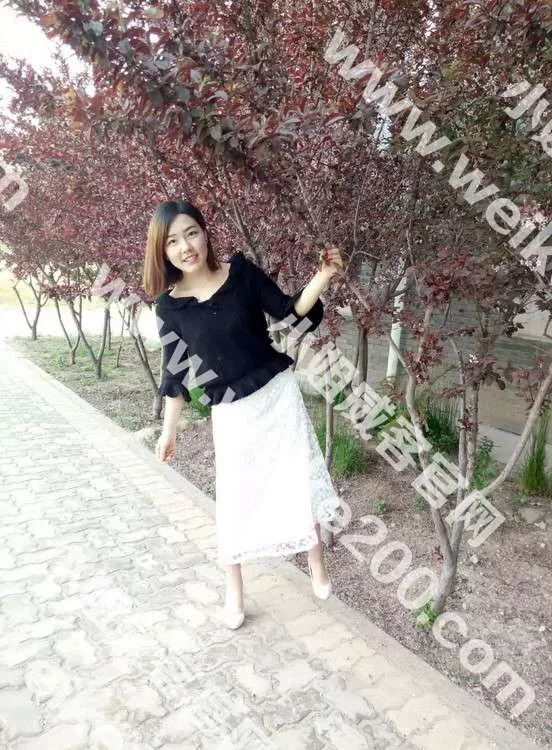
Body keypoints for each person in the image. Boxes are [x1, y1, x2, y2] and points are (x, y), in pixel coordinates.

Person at [143, 199, 344, 630]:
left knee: (295, 476)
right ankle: (234, 589)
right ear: (162, 250)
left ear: (205, 233)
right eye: (173, 241)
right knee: (235, 496)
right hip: (231, 411)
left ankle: (315, 558)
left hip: (276, 395)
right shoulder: (169, 308)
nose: (185, 247)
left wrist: (323, 276)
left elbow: (290, 311)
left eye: (191, 233)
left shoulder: (242, 273)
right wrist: (168, 432)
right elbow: (175, 373)